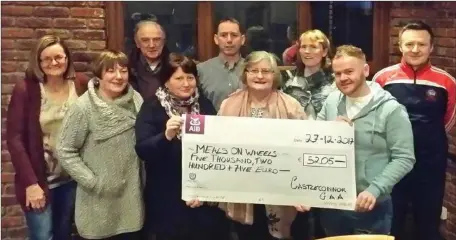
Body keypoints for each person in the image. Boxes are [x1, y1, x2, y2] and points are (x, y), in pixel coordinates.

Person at [297, 45, 415, 236]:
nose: (343, 78)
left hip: (371, 207)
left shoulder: (391, 110)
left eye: (349, 71)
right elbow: (315, 147)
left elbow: (404, 158)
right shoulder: (332, 102)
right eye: (337, 74)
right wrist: (329, 131)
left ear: (366, 70)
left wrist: (375, 189)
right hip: (332, 204)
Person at [373, 20, 456, 240]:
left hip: (430, 163)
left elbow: (448, 121)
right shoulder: (382, 79)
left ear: (431, 48)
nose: (415, 49)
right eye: (409, 44)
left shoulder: (447, 82)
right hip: (390, 161)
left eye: (421, 44)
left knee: (428, 223)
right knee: (391, 221)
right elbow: (375, 119)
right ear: (400, 46)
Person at [134, 53, 230, 240]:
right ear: (166, 81)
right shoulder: (152, 107)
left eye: (190, 77)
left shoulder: (204, 105)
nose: (186, 83)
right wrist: (166, 136)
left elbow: (218, 148)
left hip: (203, 197)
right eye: (178, 78)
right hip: (167, 197)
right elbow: (143, 150)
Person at [6, 35, 89, 240]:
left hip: (72, 179)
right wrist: (30, 184)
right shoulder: (26, 89)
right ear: (38, 61)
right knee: (43, 236)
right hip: (40, 181)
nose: (53, 63)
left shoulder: (81, 84)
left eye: (58, 57)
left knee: (63, 234)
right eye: (46, 59)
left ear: (67, 58)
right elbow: (15, 139)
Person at [217, 51, 307, 240]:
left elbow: (304, 150)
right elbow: (216, 148)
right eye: (254, 70)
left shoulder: (292, 106)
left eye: (266, 71)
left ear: (274, 75)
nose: (259, 76)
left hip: (281, 192)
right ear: (245, 73)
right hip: (242, 192)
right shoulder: (228, 105)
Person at [56, 50, 145, 239]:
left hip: (132, 198)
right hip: (97, 201)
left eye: (123, 70)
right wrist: (93, 182)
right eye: (111, 71)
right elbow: (65, 150)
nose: (119, 77)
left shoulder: (136, 100)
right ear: (99, 75)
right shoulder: (83, 108)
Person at [282, 29, 335, 240]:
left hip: (326, 154)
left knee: (324, 216)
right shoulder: (288, 81)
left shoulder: (335, 82)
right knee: (299, 215)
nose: (307, 51)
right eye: (303, 46)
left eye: (313, 46)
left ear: (324, 51)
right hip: (295, 154)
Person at [197, 17, 246, 111]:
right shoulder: (201, 70)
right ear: (216, 39)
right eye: (223, 35)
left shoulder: (252, 69)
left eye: (234, 35)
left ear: (242, 39)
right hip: (211, 124)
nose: (229, 40)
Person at [129, 19, 170, 100]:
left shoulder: (176, 66)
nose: (151, 45)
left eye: (157, 39)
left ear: (164, 41)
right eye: (145, 40)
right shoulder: (127, 67)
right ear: (137, 43)